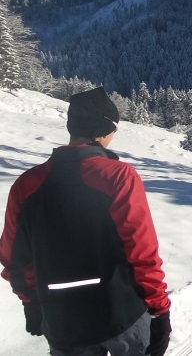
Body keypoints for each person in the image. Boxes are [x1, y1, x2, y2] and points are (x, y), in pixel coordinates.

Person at [0, 87, 171, 356]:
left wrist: (31, 302)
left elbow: (14, 257)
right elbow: (141, 251)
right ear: (104, 129)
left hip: (62, 319)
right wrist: (159, 310)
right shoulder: (118, 176)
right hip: (121, 313)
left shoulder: (27, 184)